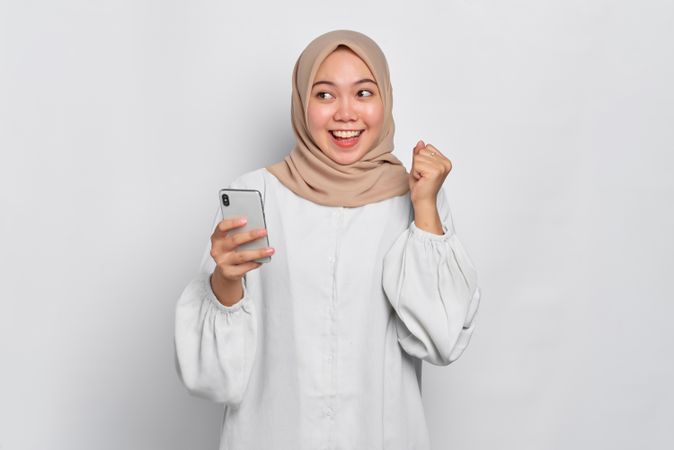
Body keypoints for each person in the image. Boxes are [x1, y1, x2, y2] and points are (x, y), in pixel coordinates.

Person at [174, 29, 481, 450]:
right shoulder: (258, 195)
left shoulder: (416, 197)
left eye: (363, 92)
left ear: (385, 98)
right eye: (324, 95)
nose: (345, 113)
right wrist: (225, 283)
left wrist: (425, 208)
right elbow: (213, 378)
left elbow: (440, 340)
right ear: (301, 103)